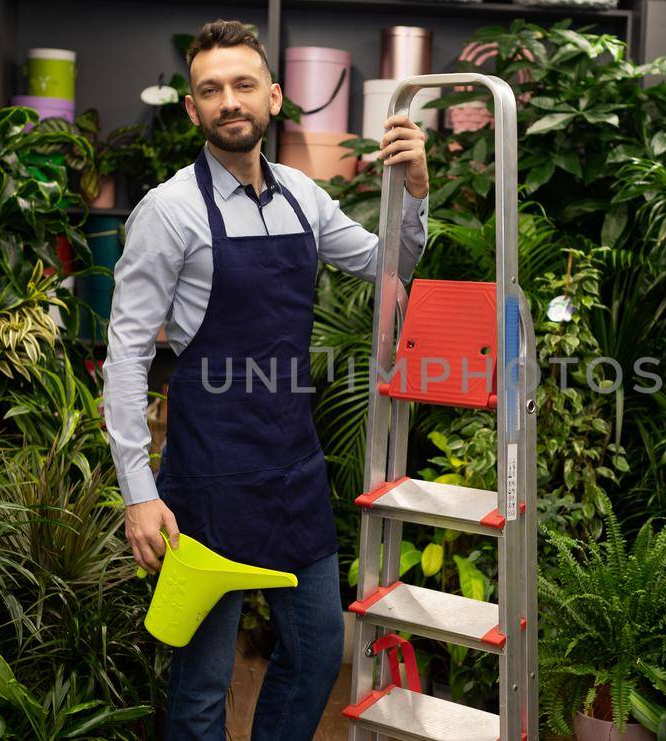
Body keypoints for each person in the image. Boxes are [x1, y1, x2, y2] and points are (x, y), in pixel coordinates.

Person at [101, 19, 431, 739]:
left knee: (317, 652)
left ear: (274, 97)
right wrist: (139, 494)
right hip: (207, 481)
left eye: (243, 84)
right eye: (210, 89)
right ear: (192, 109)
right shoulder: (169, 211)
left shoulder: (304, 200)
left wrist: (413, 189)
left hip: (293, 471)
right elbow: (125, 355)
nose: (229, 101)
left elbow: (390, 270)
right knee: (201, 684)